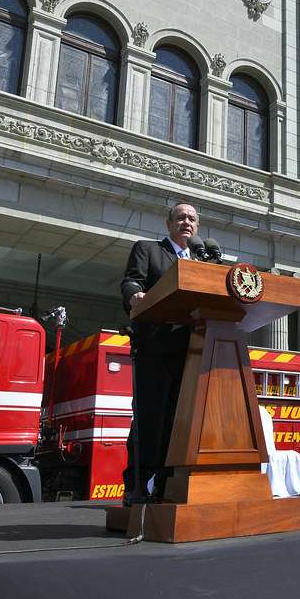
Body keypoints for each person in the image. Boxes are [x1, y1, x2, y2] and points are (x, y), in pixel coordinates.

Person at [120, 203, 199, 504]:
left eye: (192, 219)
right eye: (180, 217)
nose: (186, 222)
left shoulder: (201, 261)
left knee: (176, 424)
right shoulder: (148, 250)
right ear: (168, 224)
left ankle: (166, 486)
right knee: (150, 419)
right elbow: (131, 281)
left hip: (190, 354)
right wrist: (134, 295)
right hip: (154, 348)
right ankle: (137, 486)